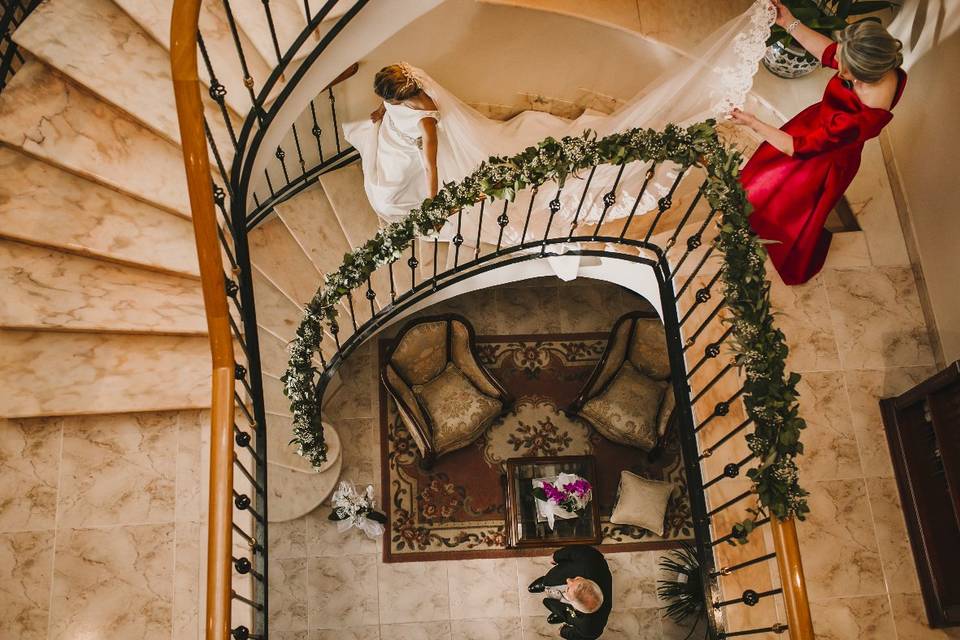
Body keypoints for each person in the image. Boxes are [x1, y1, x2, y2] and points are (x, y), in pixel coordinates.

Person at [342, 1, 780, 244]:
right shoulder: (400, 89)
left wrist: (437, 208)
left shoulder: (428, 121)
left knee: (389, 189)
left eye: (395, 99)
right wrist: (382, 115)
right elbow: (387, 105)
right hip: (395, 142)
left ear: (409, 94)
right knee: (385, 182)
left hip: (413, 156)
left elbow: (433, 168)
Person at [731, 0, 907, 285]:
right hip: (815, 127)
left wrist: (753, 122)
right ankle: (748, 211)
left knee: (787, 202)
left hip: (821, 159)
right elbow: (828, 52)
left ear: (866, 75)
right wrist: (787, 21)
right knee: (763, 177)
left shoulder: (862, 116)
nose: (839, 70)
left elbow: (797, 148)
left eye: (847, 70)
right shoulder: (876, 64)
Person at [527, 545, 612, 640]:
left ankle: (562, 615)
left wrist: (564, 632)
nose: (568, 580)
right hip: (560, 574)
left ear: (575, 608)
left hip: (570, 612)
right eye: (577, 579)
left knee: (564, 613)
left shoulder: (590, 627)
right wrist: (556, 556)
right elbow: (579, 551)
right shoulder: (592, 561)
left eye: (568, 589)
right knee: (551, 580)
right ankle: (545, 583)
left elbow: (584, 636)